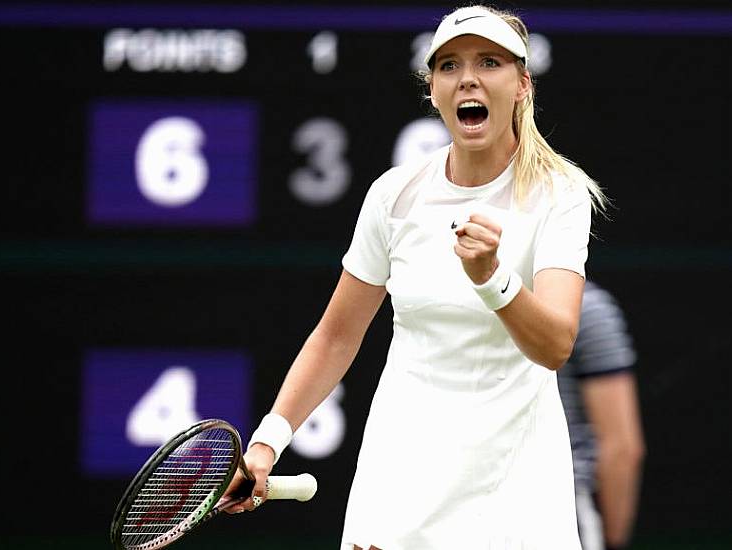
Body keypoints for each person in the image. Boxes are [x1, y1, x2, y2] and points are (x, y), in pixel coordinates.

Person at [224, 5, 608, 549]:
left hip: (516, 491)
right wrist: (264, 446)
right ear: (432, 89)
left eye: (490, 62)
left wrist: (492, 278)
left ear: (522, 85)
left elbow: (555, 343)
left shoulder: (560, 195)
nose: (468, 77)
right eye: (449, 66)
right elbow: (336, 336)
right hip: (399, 480)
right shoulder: (393, 195)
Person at [558, 282, 645, 550]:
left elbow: (622, 450)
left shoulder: (586, 308)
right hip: (564, 512)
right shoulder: (587, 304)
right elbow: (622, 448)